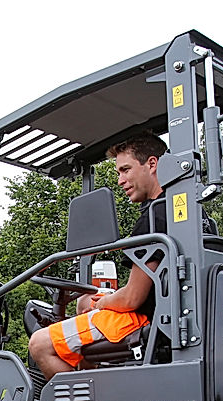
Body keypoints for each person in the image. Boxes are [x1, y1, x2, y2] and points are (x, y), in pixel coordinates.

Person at [28, 132, 169, 379]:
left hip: (144, 319)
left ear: (152, 164)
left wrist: (102, 303)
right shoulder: (182, 209)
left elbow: (132, 299)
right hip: (160, 312)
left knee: (40, 344)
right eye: (118, 173)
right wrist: (96, 301)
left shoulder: (155, 217)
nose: (120, 180)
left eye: (126, 170)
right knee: (85, 301)